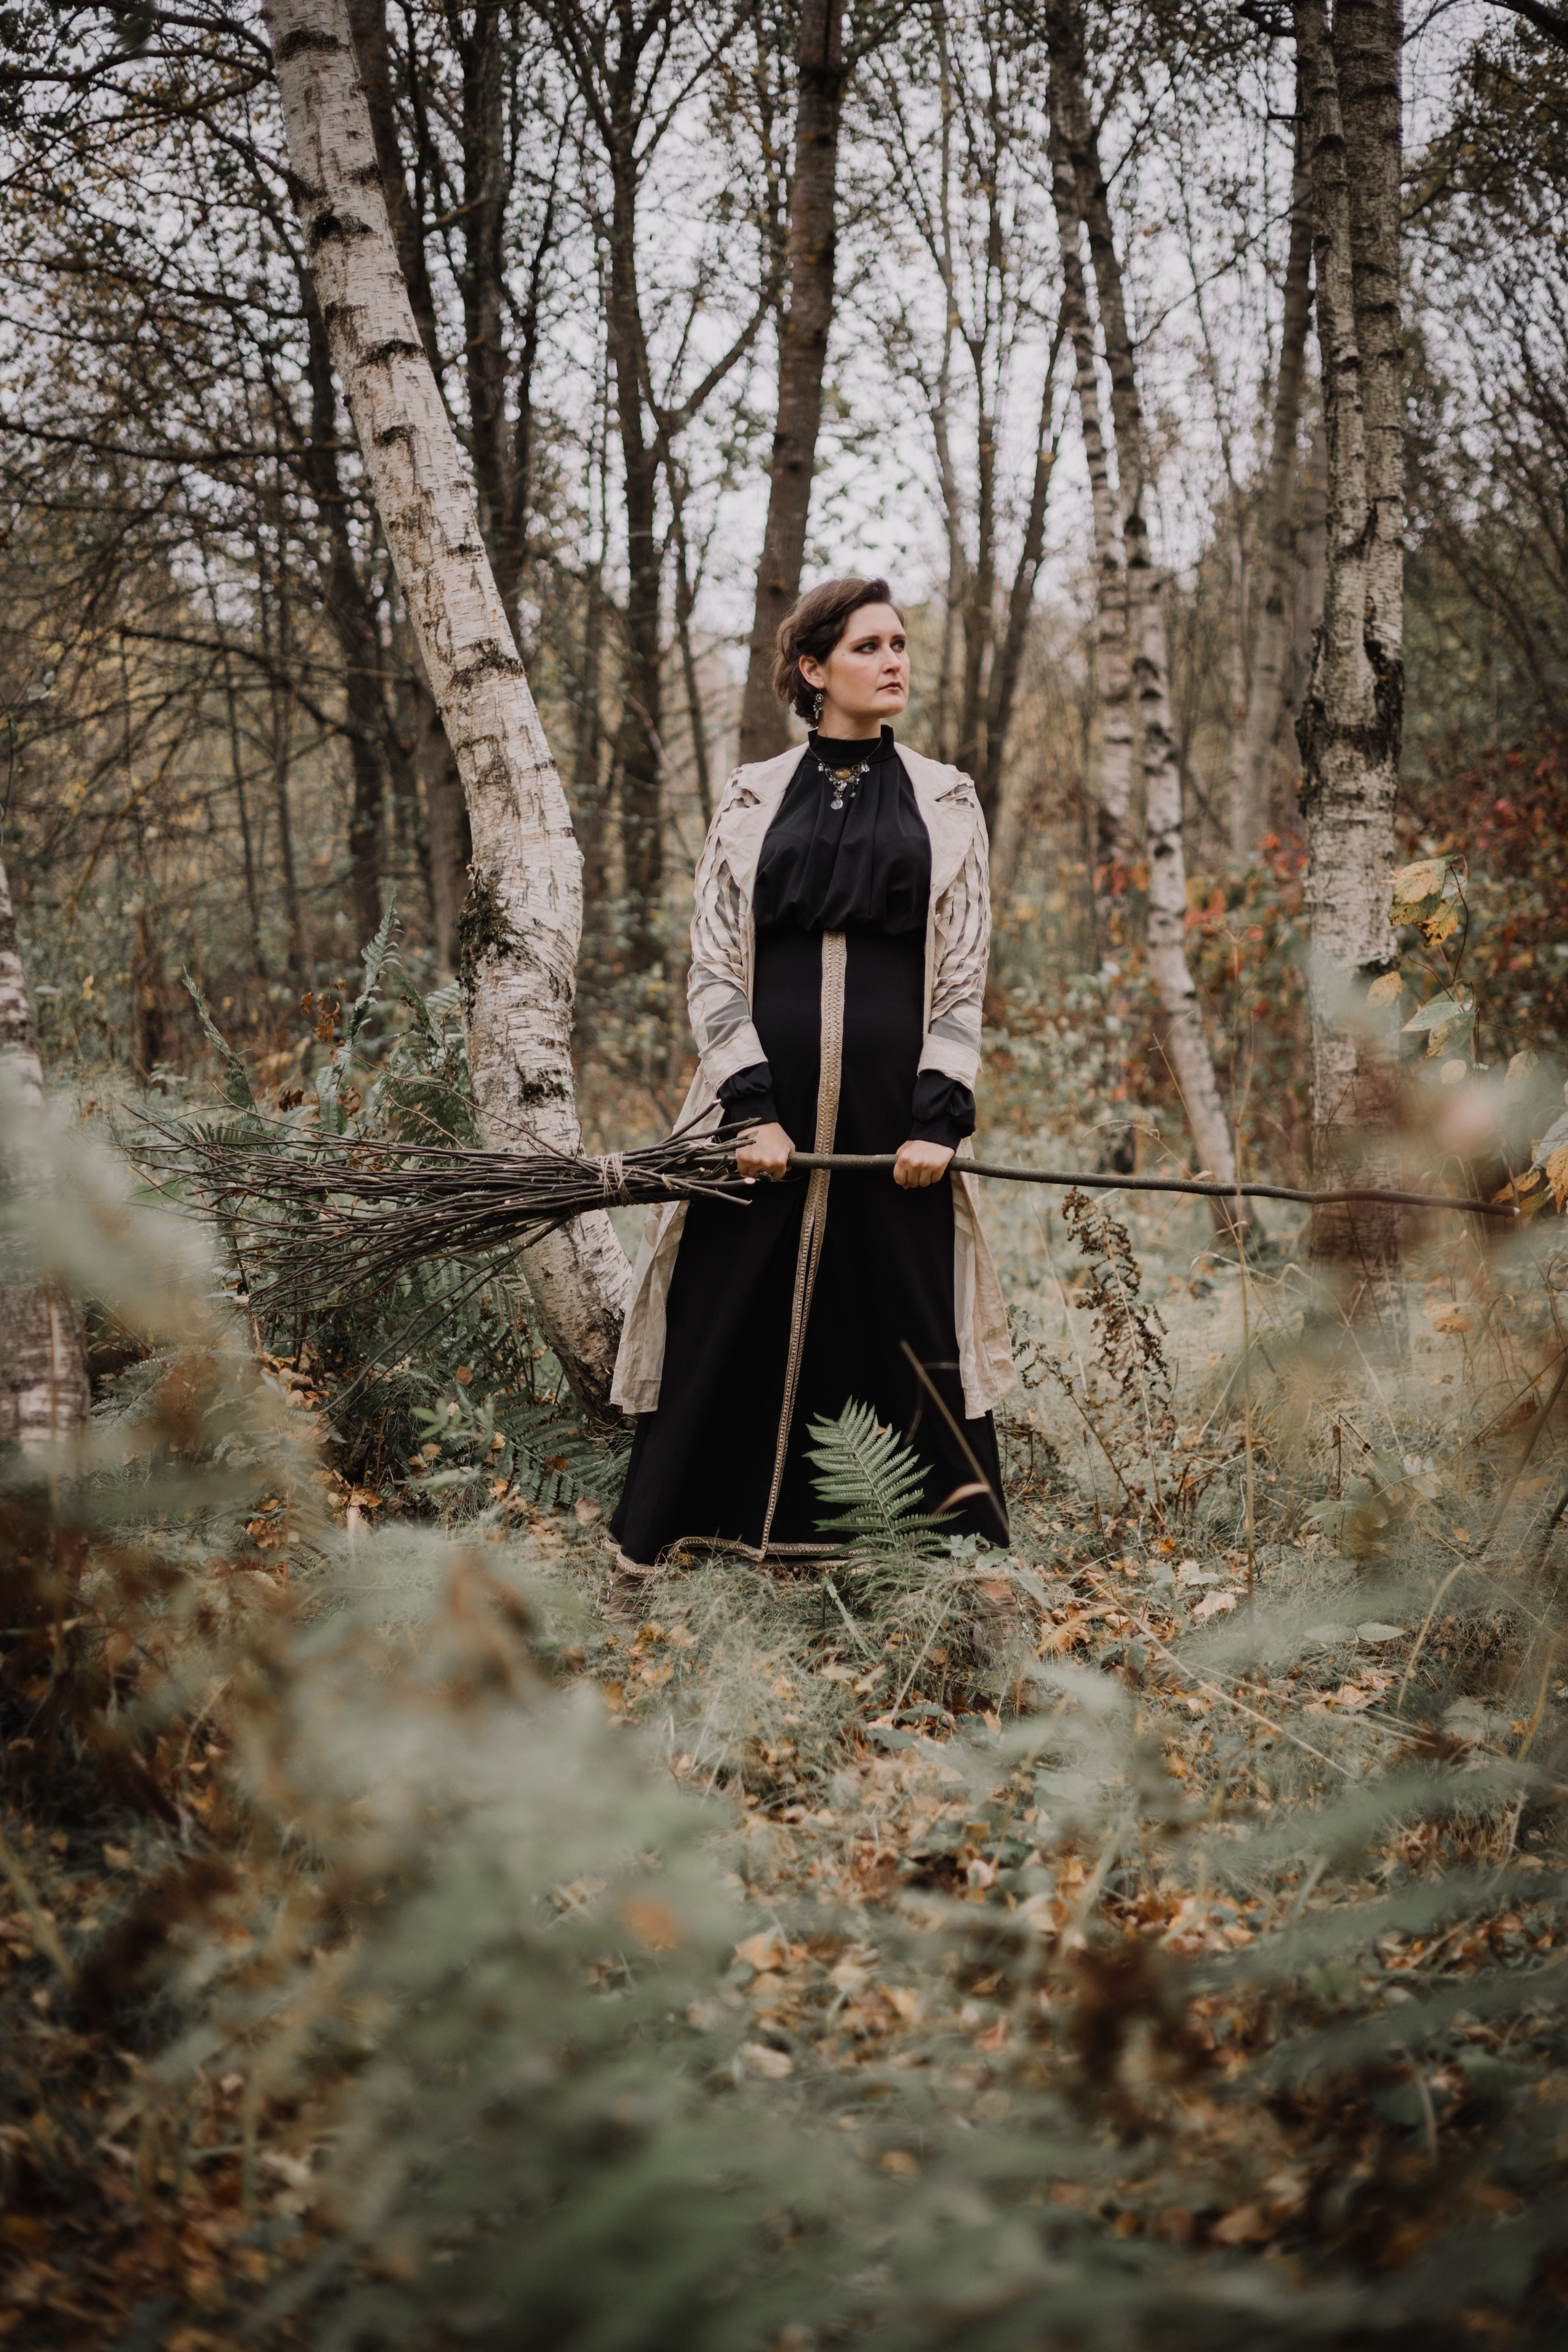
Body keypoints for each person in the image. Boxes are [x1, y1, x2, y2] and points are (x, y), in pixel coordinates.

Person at [608, 576, 1014, 1569]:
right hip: (759, 1117)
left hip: (894, 1120)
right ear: (813, 667)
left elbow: (963, 974)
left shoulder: (946, 799)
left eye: (901, 645)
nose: (894, 663)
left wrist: (938, 1120)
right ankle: (670, 1541)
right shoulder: (753, 797)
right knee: (722, 1310)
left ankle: (957, 1561)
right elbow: (711, 966)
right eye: (870, 646)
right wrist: (749, 1110)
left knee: (913, 1315)